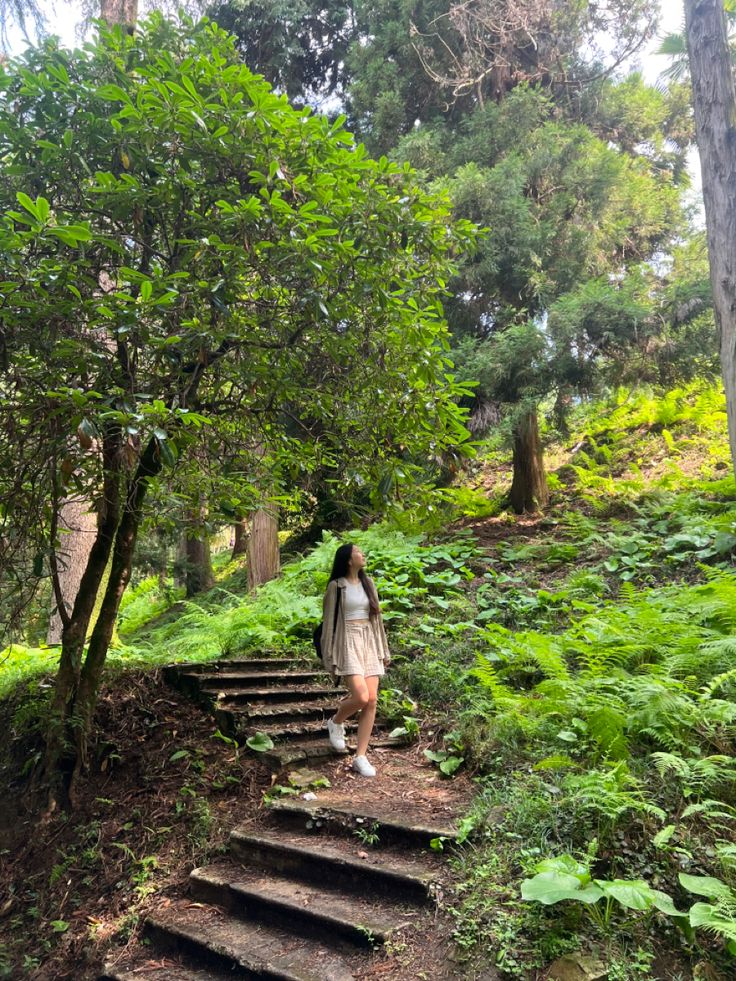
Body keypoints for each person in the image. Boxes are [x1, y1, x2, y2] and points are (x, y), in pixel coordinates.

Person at [320, 543, 390, 777]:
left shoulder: (369, 584)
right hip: (347, 641)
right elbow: (329, 623)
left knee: (372, 701)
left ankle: (360, 756)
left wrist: (383, 649)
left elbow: (377, 620)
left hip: (369, 640)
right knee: (361, 697)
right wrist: (329, 655)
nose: (363, 554)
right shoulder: (336, 586)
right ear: (349, 560)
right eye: (359, 551)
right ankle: (336, 721)